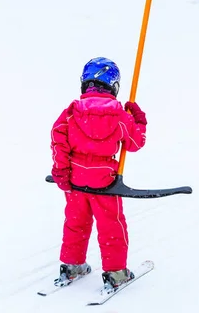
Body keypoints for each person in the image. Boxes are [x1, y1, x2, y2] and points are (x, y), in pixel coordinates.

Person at [50, 57, 147, 290]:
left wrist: (61, 171)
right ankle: (116, 272)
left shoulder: (72, 112)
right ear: (113, 86)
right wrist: (138, 119)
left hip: (75, 179)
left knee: (76, 223)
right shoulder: (119, 115)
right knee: (111, 226)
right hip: (105, 182)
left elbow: (58, 138)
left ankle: (72, 265)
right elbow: (135, 142)